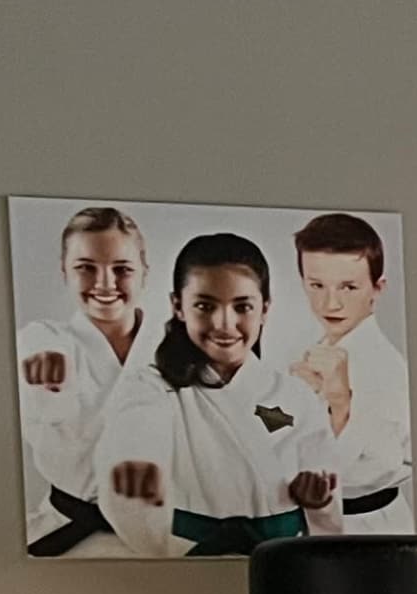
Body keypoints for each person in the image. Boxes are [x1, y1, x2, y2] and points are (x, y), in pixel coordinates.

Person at [93, 233, 342, 556]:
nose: (225, 324)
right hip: (192, 557)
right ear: (178, 306)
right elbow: (135, 451)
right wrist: (138, 474)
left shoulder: (295, 394)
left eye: (243, 307)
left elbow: (325, 478)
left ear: (265, 309)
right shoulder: (151, 389)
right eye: (205, 306)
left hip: (284, 558)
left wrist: (319, 499)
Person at [17, 206, 150, 554]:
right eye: (86, 268)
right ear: (64, 271)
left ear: (144, 273)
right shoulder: (42, 340)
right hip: (68, 535)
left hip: (163, 537)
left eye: (122, 269)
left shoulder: (177, 347)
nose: (105, 283)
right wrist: (47, 373)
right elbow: (41, 366)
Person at [284, 213, 411, 533]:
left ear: (377, 288)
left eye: (349, 287)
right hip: (320, 521)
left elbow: (378, 467)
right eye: (316, 285)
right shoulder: (315, 351)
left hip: (368, 527)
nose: (331, 303)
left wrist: (340, 405)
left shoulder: (384, 368)